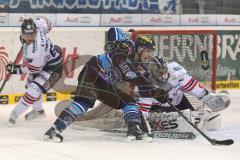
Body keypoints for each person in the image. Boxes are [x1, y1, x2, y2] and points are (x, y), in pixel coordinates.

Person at [43, 28, 168, 142]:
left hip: (104, 82)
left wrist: (157, 93)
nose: (149, 55)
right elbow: (113, 30)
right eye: (148, 51)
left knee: (129, 102)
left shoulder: (140, 67)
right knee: (84, 102)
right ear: (140, 49)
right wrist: (123, 40)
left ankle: (134, 131)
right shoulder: (128, 47)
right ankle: (54, 130)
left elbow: (143, 87)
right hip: (92, 72)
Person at [136, 56, 230, 133]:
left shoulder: (176, 71)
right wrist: (142, 122)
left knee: (196, 118)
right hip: (158, 108)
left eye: (164, 71)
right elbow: (143, 110)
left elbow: (192, 86)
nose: (163, 74)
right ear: (153, 72)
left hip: (179, 101)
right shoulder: (144, 82)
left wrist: (207, 96)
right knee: (147, 120)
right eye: (160, 72)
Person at [6, 17, 62, 125]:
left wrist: (13, 69)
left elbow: (30, 69)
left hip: (53, 67)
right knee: (29, 85)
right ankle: (38, 110)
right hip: (47, 58)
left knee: (33, 89)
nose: (29, 38)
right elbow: (49, 24)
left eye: (31, 35)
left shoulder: (34, 52)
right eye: (27, 35)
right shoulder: (37, 24)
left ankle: (14, 115)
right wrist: (29, 21)